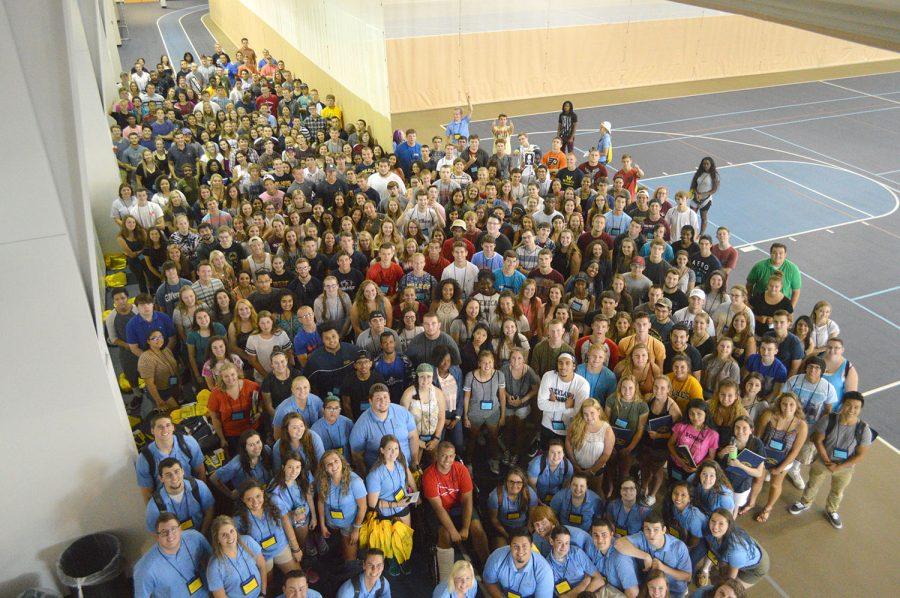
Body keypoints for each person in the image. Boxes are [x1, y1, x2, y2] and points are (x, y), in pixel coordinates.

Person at [788, 391, 871, 529]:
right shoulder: (829, 419)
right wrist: (827, 461)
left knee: (838, 491)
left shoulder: (864, 429)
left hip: (845, 467)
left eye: (856, 407)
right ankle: (805, 502)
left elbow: (860, 455)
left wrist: (839, 467)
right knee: (812, 484)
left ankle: (832, 510)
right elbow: (817, 439)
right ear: (842, 405)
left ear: (860, 409)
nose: (852, 410)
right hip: (823, 461)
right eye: (848, 405)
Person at [423, 442, 491, 567]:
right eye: (443, 455)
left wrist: (465, 528)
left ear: (454, 456)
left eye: (450, 456)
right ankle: (445, 574)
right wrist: (453, 531)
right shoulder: (429, 475)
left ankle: (487, 566)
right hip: (441, 509)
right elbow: (438, 508)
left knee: (476, 527)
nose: (447, 460)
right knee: (445, 534)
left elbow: (467, 500)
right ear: (437, 455)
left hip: (459, 506)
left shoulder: (461, 469)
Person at [133, 512, 212, 598]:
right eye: (164, 532)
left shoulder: (196, 538)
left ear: (180, 529)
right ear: (157, 537)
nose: (170, 535)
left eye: (173, 529)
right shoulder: (145, 569)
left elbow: (215, 563)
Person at [234, 480, 301, 580]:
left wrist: (295, 548)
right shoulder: (238, 518)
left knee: (298, 576)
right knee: (269, 585)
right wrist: (255, 559)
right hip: (261, 556)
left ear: (262, 492)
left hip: (281, 547)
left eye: (258, 496)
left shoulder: (274, 500)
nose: (255, 502)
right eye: (249, 499)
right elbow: (240, 541)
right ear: (243, 500)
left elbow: (286, 523)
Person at [614, 513, 692, 597]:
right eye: (647, 529)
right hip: (651, 589)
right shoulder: (642, 537)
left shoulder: (679, 547)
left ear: (664, 530)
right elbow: (618, 543)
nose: (651, 534)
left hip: (673, 590)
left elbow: (687, 577)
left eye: (656, 529)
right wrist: (645, 556)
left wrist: (662, 567)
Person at [136, 412, 207, 501]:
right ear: (152, 431)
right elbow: (147, 494)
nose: (165, 430)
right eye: (160, 427)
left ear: (173, 427)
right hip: (167, 503)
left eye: (168, 425)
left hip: (191, 495)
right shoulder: (145, 458)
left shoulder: (188, 443)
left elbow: (201, 473)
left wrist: (201, 498)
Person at [350, 383, 419, 470]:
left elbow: (413, 436)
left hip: (406, 467)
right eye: (378, 398)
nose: (382, 401)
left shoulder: (403, 412)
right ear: (370, 401)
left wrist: (414, 460)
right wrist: (366, 475)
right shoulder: (361, 424)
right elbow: (356, 454)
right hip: (379, 474)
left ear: (390, 398)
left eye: (385, 397)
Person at [316, 450, 367, 561]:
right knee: (336, 552)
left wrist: (356, 529)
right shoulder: (323, 480)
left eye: (336, 461)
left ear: (342, 461)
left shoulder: (355, 482)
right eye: (329, 464)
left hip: (349, 524)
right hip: (331, 523)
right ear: (324, 468)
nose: (334, 465)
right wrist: (322, 525)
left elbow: (363, 507)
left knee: (350, 559)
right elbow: (320, 502)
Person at [699, 509, 769, 589]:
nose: (715, 527)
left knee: (731, 590)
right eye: (713, 521)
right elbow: (712, 551)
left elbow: (730, 579)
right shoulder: (714, 533)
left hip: (755, 568)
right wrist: (706, 568)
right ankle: (705, 570)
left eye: (721, 524)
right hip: (744, 552)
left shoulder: (735, 552)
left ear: (729, 525)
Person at [144, 458, 215, 534]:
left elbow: (209, 511)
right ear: (161, 478)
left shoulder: (199, 486)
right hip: (176, 542)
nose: (174, 478)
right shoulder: (154, 506)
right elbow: (154, 533)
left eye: (177, 472)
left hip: (203, 531)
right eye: (168, 475)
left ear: (182, 471)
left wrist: (201, 535)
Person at [206, 515, 267, 598]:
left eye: (232, 531)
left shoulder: (248, 542)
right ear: (217, 539)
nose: (230, 537)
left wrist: (262, 594)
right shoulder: (214, 566)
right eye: (224, 535)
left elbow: (262, 566)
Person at [208, 362, 261, 456]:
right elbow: (215, 419)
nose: (230, 378)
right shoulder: (215, 394)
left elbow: (260, 404)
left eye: (232, 374)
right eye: (226, 376)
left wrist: (259, 413)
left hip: (251, 430)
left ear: (237, 373)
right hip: (231, 434)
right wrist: (222, 439)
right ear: (221, 378)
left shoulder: (251, 386)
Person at [482, 530, 555, 597]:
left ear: (531, 546)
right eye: (516, 546)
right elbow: (489, 582)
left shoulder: (544, 570)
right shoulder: (496, 557)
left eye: (524, 546)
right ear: (510, 546)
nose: (520, 551)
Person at [537, 351, 590, 441]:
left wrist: (553, 403)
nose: (563, 366)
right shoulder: (548, 376)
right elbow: (541, 405)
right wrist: (565, 405)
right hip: (547, 425)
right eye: (560, 363)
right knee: (545, 452)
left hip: (568, 429)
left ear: (574, 366)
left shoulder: (582, 384)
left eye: (567, 363)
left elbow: (578, 413)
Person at [401, 363, 446, 464]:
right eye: (422, 377)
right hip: (413, 437)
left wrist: (436, 438)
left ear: (433, 377)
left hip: (433, 436)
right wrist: (416, 441)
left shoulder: (438, 393)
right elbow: (402, 422)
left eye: (429, 377)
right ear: (417, 377)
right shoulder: (408, 394)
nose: (425, 381)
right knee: (414, 464)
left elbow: (441, 417)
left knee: (435, 462)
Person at [209, 429, 274, 499]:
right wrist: (231, 494)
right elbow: (214, 478)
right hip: (249, 498)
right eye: (251, 445)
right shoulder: (235, 465)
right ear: (245, 448)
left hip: (267, 492)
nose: (257, 447)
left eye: (258, 442)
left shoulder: (266, 450)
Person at [668, 400, 719, 482]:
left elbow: (711, 457)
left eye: (699, 414)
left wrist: (697, 467)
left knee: (689, 491)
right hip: (676, 464)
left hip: (695, 470)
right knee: (672, 484)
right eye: (691, 413)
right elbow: (670, 444)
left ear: (706, 414)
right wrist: (681, 462)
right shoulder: (681, 426)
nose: (695, 417)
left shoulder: (712, 435)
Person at [661, 481, 709, 568]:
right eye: (675, 493)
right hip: (687, 531)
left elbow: (694, 541)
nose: (678, 498)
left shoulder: (694, 520)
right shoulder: (675, 506)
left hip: (703, 539)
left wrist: (684, 548)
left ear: (689, 499)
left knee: (685, 564)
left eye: (683, 495)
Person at [589, 518, 641, 598]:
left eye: (604, 535)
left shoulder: (621, 557)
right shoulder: (592, 549)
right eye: (595, 535)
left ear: (611, 534)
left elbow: (632, 594)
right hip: (604, 589)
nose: (599, 540)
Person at [545, 525, 604, 595]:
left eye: (567, 543)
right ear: (552, 541)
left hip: (589, 593)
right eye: (560, 542)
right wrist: (584, 583)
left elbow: (599, 580)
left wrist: (583, 595)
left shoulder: (577, 553)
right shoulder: (547, 566)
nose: (564, 547)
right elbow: (562, 596)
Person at [487, 468, 538, 547]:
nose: (515, 485)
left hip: (524, 527)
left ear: (523, 483)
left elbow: (532, 516)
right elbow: (494, 520)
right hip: (503, 529)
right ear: (506, 482)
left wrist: (527, 533)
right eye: (511, 482)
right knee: (502, 551)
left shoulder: (530, 494)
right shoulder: (495, 496)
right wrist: (508, 536)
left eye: (519, 482)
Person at [745, 243, 801, 307]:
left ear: (785, 254)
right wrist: (749, 302)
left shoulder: (793, 269)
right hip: (760, 305)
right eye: (774, 253)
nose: (777, 255)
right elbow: (749, 284)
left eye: (781, 253)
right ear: (770, 253)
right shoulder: (759, 266)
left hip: (781, 307)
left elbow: (796, 291)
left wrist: (791, 308)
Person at [527, 438, 575, 504]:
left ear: (564, 454)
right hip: (538, 496)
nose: (556, 456)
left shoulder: (568, 467)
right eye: (552, 452)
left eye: (559, 452)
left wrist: (558, 502)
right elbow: (532, 487)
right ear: (547, 453)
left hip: (557, 497)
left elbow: (565, 487)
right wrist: (539, 503)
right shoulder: (535, 465)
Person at [689, 158, 719, 235]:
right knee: (691, 217)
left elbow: (714, 190)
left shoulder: (714, 176)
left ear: (711, 165)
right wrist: (695, 194)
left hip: (706, 200)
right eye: (704, 164)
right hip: (695, 198)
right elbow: (693, 185)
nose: (705, 165)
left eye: (707, 164)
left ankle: (701, 234)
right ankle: (692, 233)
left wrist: (703, 195)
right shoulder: (698, 173)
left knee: (703, 218)